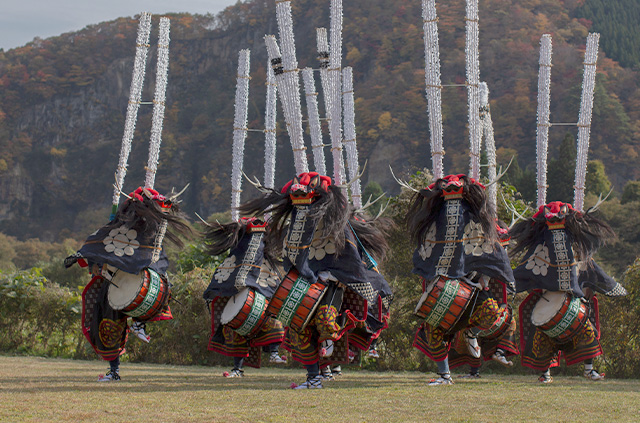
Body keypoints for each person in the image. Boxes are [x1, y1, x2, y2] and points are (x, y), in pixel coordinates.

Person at [240, 172, 393, 389]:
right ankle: (314, 377)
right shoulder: (295, 222)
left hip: (331, 282)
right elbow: (292, 256)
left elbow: (349, 259)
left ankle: (332, 351)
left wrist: (334, 275)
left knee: (325, 320)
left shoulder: (337, 225)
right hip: (304, 281)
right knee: (300, 327)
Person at [65, 187, 190, 381]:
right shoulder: (120, 226)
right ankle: (114, 371)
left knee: (159, 283)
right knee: (106, 325)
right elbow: (103, 244)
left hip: (143, 275)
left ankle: (140, 322)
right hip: (115, 280)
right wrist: (96, 263)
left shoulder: (152, 237)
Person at [406, 174, 515, 385]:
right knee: (433, 329)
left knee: (492, 310)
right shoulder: (434, 224)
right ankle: (444, 375)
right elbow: (425, 254)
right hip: (443, 285)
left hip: (472, 288)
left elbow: (492, 256)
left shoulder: (478, 223)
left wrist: (482, 277)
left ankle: (471, 333)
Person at [511, 201, 627, 383]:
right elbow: (527, 268)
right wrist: (509, 281)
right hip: (548, 297)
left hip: (573, 300)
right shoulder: (541, 248)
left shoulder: (575, 249)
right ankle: (545, 373)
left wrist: (612, 287)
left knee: (587, 331)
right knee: (543, 334)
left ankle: (589, 370)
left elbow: (592, 270)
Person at [203, 217, 286, 377]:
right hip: (238, 298)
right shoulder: (237, 251)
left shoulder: (264, 258)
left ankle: (274, 352)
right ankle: (237, 369)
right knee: (235, 329)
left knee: (274, 319)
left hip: (262, 295)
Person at [450, 220, 519, 378]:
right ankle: (470, 370)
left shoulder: (496, 254)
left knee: (508, 318)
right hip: (467, 293)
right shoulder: (470, 247)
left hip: (486, 292)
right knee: (470, 325)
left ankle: (499, 351)